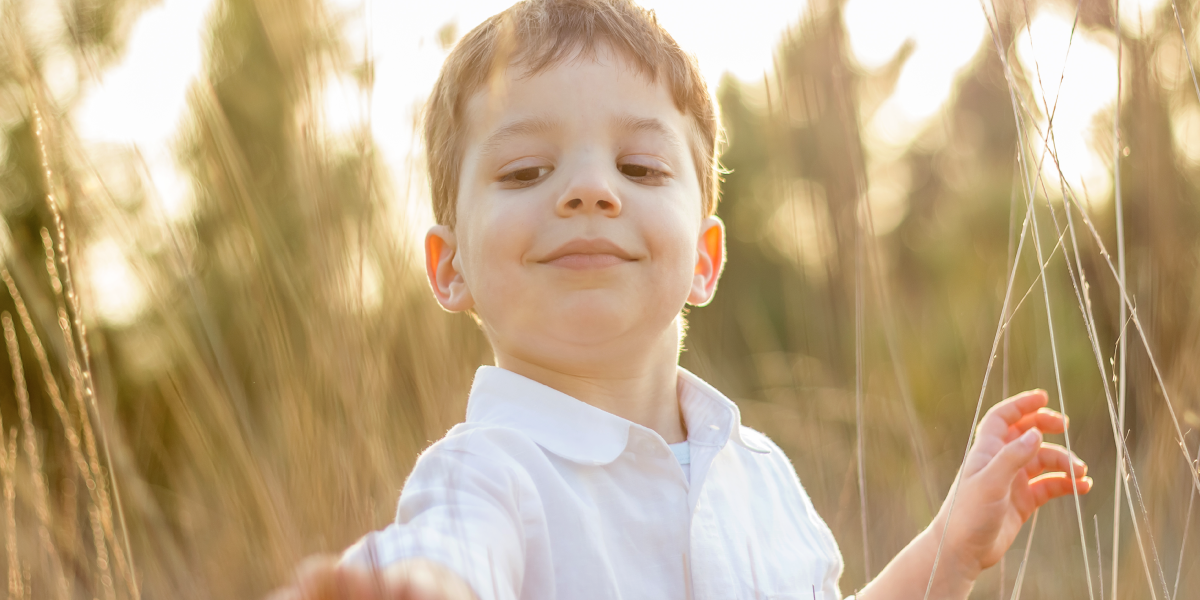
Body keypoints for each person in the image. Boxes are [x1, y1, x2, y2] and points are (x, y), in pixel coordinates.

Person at [269, 0, 1091, 597]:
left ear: (704, 258)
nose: (590, 189)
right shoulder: (487, 474)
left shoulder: (762, 479)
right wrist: (417, 587)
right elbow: (447, 557)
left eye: (641, 168)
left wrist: (946, 551)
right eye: (525, 171)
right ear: (449, 268)